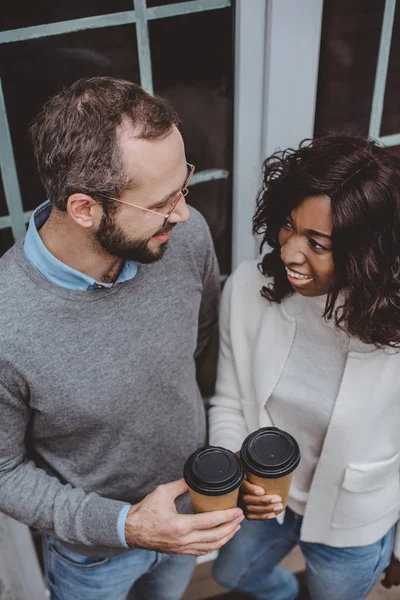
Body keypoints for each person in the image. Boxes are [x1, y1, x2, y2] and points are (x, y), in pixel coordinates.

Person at [0, 77, 244, 600]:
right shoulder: (6, 324)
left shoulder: (185, 237)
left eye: (185, 185)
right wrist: (124, 526)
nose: (184, 212)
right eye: (163, 202)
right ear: (85, 209)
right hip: (92, 556)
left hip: (187, 513)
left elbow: (198, 340)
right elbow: (4, 471)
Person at [209, 135, 400, 600]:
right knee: (230, 576)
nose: (290, 252)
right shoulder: (247, 290)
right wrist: (235, 470)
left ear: (366, 252)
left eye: (317, 243)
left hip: (357, 523)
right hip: (264, 504)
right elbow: (229, 400)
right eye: (288, 227)